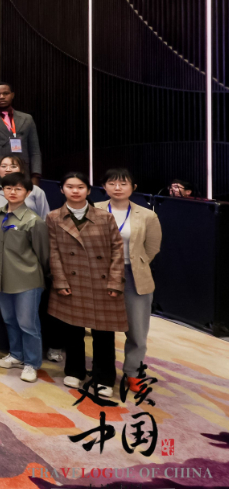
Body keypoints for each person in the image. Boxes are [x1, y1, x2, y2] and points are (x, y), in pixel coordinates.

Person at [47, 173, 126, 397]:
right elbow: (53, 252)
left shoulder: (105, 217)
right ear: (62, 190)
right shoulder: (53, 217)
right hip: (73, 281)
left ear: (88, 190)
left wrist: (115, 281)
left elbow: (117, 250)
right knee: (73, 329)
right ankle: (74, 370)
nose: (75, 191)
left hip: (101, 282)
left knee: (103, 333)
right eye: (69, 186)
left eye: (80, 187)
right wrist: (60, 280)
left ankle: (104, 377)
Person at [103, 168, 161, 394]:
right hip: (102, 274)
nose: (117, 188)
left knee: (137, 330)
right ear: (104, 186)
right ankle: (102, 369)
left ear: (133, 188)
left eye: (123, 184)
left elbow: (153, 247)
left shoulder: (147, 215)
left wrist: (136, 262)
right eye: (112, 183)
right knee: (101, 327)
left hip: (134, 275)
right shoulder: (94, 209)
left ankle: (133, 372)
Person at [0, 171, 49, 383]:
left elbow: (43, 254)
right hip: (2, 278)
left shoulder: (34, 221)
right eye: (8, 188)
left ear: (28, 192)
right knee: (9, 320)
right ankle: (16, 355)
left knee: (28, 324)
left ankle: (32, 363)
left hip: (28, 280)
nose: (12, 192)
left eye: (18, 189)